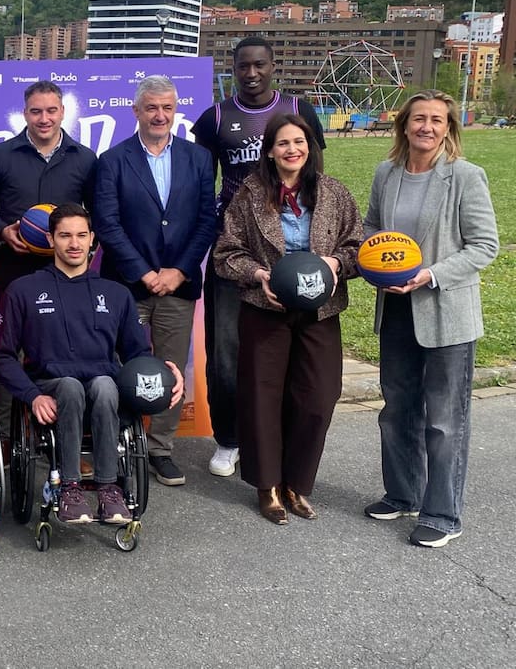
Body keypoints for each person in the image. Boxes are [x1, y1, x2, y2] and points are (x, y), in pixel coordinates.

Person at [362, 91, 498, 548]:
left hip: (446, 313)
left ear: (448, 128)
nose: (427, 127)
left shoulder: (466, 177)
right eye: (418, 119)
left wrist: (430, 275)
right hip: (397, 309)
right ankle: (403, 493)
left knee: (443, 420)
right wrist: (376, 266)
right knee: (396, 411)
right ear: (404, 125)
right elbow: (371, 230)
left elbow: (484, 246)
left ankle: (442, 513)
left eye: (436, 120)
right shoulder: (387, 173)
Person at [212, 114, 361, 525]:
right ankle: (268, 486)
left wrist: (333, 263)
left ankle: (297, 482)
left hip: (320, 310)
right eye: (283, 143)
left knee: (318, 397)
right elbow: (226, 253)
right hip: (265, 309)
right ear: (270, 151)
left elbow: (356, 247)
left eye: (299, 141)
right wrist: (259, 276)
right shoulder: (250, 194)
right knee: (261, 398)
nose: (292, 149)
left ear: (310, 146)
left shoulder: (333, 194)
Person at [0, 203, 183, 525]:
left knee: (106, 384)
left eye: (82, 235)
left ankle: (109, 489)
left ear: (92, 239)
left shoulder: (115, 293)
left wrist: (164, 374)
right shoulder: (23, 290)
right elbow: (3, 356)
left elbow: (137, 354)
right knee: (69, 385)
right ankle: (69, 488)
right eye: (65, 235)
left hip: (103, 388)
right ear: (51, 240)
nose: (74, 243)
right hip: (49, 386)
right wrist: (31, 396)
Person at [192, 36, 326, 479]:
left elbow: (317, 179)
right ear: (233, 69)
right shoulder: (214, 118)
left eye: (259, 65)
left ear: (273, 66)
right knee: (226, 352)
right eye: (243, 67)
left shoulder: (297, 110)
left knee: (285, 350)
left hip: (292, 251)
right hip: (236, 251)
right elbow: (200, 185)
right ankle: (229, 439)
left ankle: (277, 438)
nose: (251, 74)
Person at [93, 76, 217, 486]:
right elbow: (108, 226)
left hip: (178, 285)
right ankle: (115, 446)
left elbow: (206, 222)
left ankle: (160, 448)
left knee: (170, 368)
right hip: (127, 286)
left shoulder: (198, 159)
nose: (160, 115)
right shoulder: (112, 161)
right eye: (151, 108)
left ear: (174, 110)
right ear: (136, 112)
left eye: (167, 107)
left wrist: (179, 270)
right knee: (118, 366)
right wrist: (144, 273)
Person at [0, 80, 96, 433]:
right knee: (7, 353)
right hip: (12, 273)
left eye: (51, 110)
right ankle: (4, 439)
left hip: (66, 277)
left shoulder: (85, 159)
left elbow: (99, 217)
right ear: (25, 113)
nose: (44, 118)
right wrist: (2, 230)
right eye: (36, 111)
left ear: (62, 112)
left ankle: (62, 439)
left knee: (66, 353)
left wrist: (82, 248)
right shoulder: (0, 157)